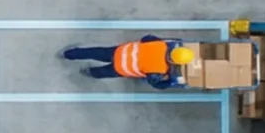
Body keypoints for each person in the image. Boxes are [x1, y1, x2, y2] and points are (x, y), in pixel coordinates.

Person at [60, 36, 192, 89]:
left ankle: (71, 54)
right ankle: (91, 72)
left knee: (95, 52)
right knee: (103, 72)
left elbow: (146, 38)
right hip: (121, 68)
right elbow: (155, 83)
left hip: (119, 51)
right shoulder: (159, 69)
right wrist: (171, 82)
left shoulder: (160, 45)